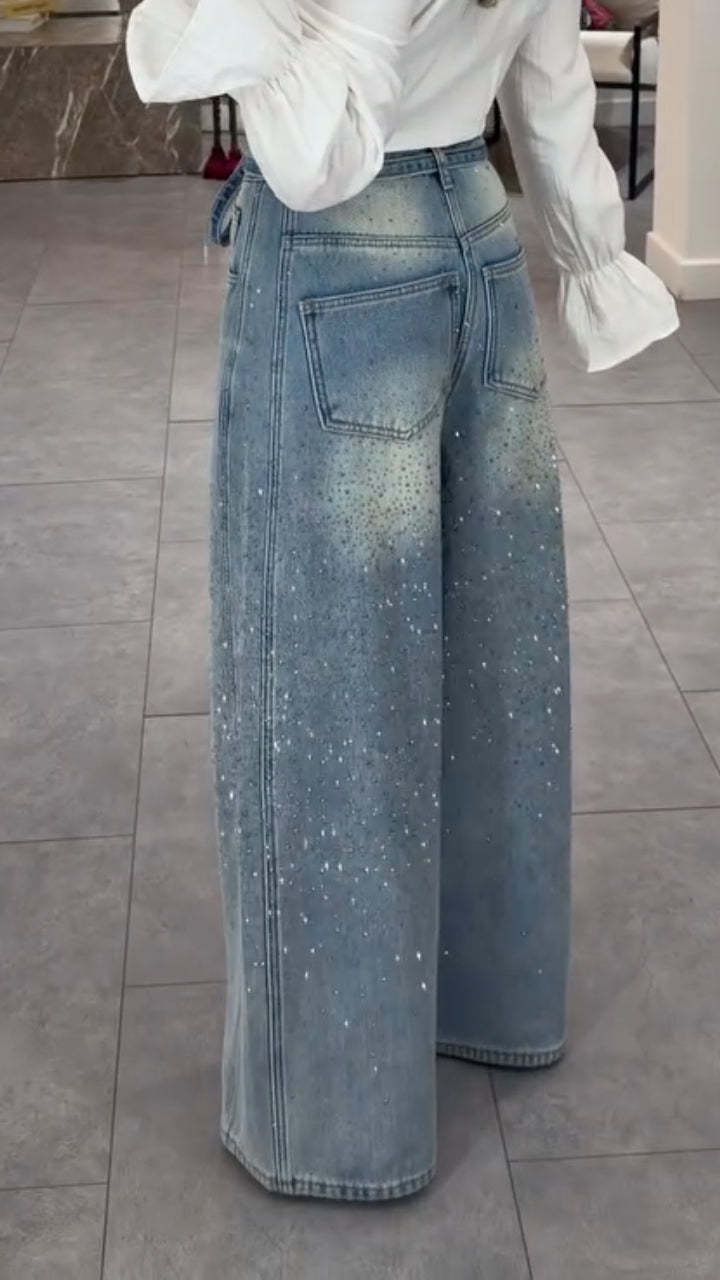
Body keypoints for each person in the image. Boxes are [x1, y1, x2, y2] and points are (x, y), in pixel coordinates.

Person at [126, 0, 678, 1203]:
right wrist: (591, 253)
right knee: (495, 659)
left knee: (330, 690)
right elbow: (549, 86)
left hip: (341, 251)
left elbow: (305, 154)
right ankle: (495, 999)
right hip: (480, 228)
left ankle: (336, 1121)